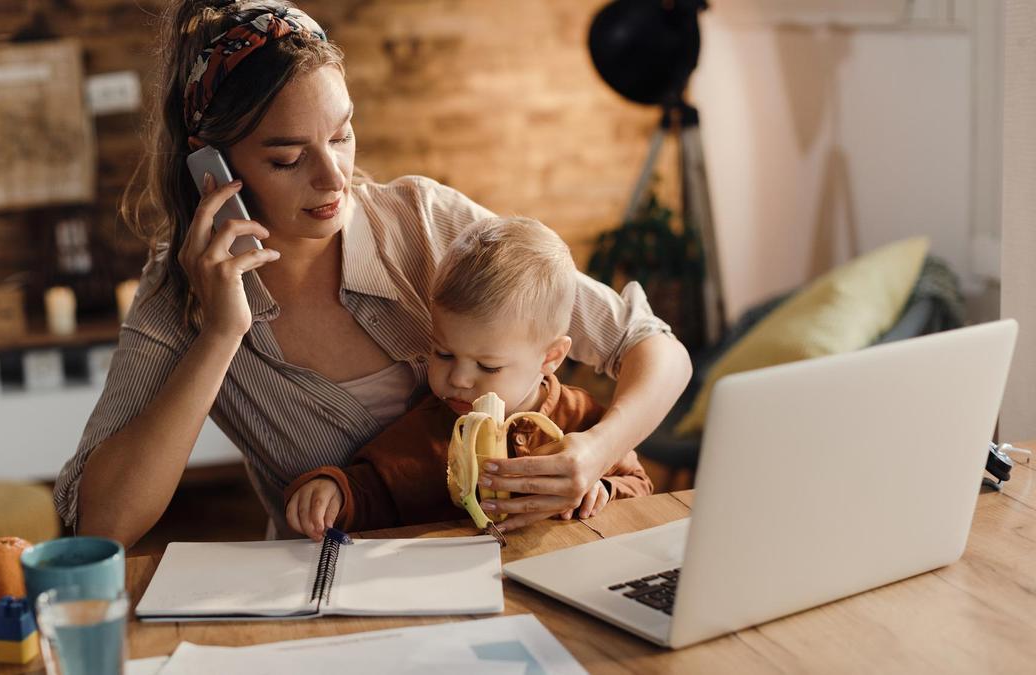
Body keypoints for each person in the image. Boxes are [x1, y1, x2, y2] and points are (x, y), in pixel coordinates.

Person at [53, 0, 691, 546]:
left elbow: (653, 346)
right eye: (286, 158)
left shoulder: (423, 220)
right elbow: (99, 526)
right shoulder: (178, 296)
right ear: (212, 167)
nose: (333, 179)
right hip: (336, 602)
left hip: (513, 570)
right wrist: (220, 334)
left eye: (342, 135)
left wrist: (596, 451)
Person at [284, 217, 654, 540]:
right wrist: (333, 490)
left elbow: (639, 485)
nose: (458, 379)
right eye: (443, 354)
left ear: (550, 357)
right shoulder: (426, 430)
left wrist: (604, 489)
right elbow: (372, 490)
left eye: (488, 367)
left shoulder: (583, 420)